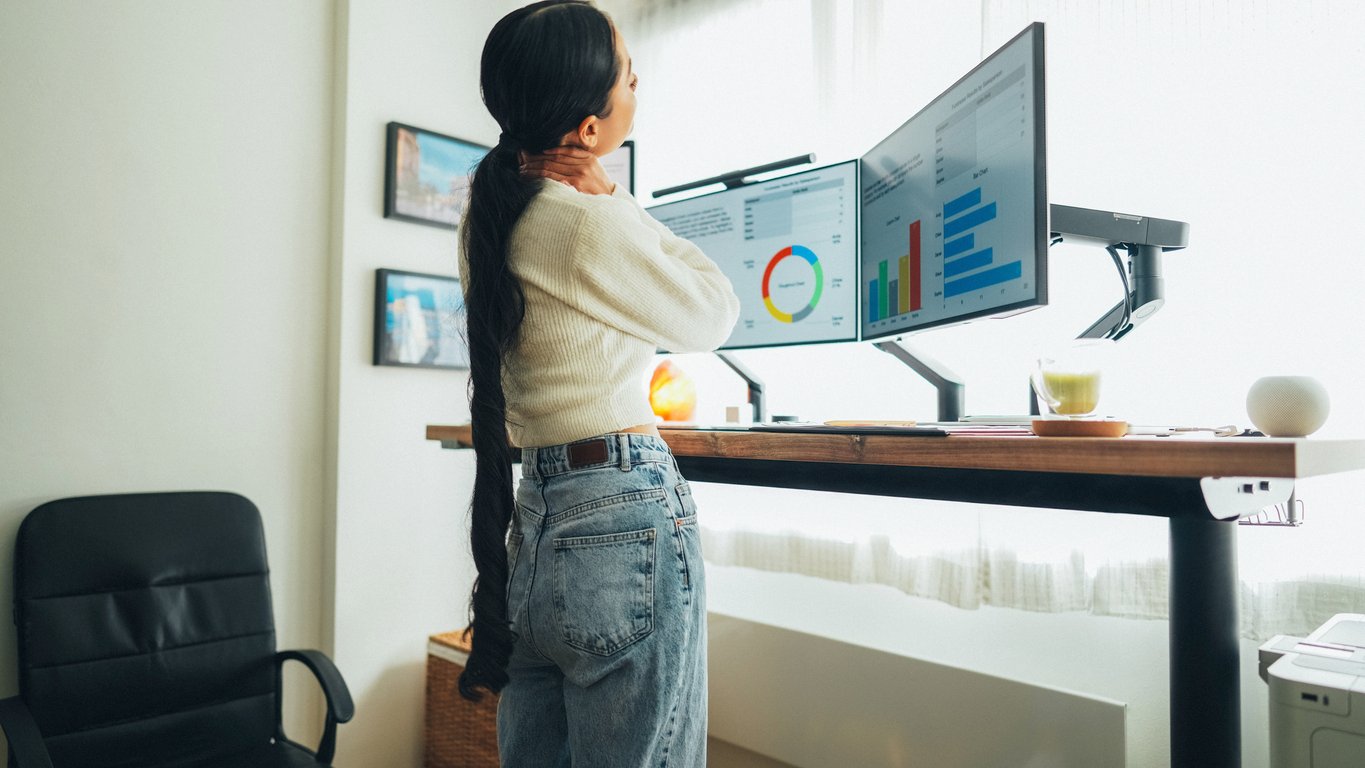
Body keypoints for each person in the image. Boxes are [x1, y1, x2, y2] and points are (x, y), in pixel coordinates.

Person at [456, 2, 741, 766]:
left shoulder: (492, 215)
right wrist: (612, 198)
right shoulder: (583, 220)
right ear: (587, 130)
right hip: (619, 503)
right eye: (628, 76)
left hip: (538, 516)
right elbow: (713, 311)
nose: (637, 84)